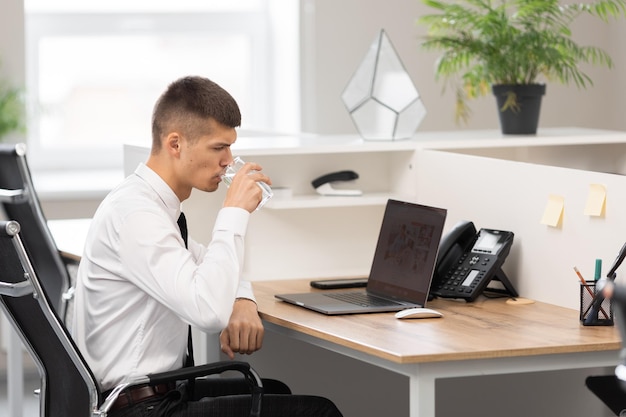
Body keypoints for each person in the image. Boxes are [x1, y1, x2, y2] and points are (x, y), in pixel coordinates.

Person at [71, 75, 343, 417]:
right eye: (218, 148)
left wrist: (242, 299)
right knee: (319, 412)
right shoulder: (137, 216)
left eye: (230, 147)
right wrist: (233, 213)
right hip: (137, 407)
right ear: (175, 144)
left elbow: (207, 262)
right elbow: (209, 312)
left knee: (276, 391)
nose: (229, 160)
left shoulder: (151, 206)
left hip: (153, 390)